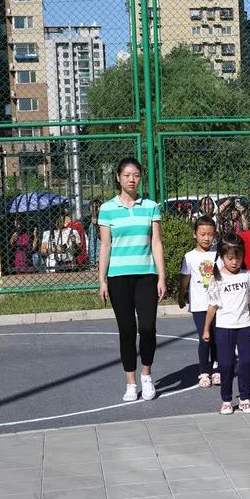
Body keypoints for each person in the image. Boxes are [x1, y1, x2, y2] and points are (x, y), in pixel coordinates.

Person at [98, 157, 167, 402]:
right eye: (126, 174)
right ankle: (131, 382)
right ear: (118, 177)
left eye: (136, 174)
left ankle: (147, 376)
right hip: (118, 277)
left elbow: (156, 242)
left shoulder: (151, 206)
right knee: (127, 330)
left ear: (140, 178)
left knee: (147, 328)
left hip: (146, 276)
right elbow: (105, 245)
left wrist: (161, 275)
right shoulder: (107, 209)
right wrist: (102, 280)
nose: (131, 179)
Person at [202, 233, 250, 415]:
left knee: (246, 362)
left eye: (239, 257)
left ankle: (245, 398)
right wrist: (206, 329)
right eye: (230, 258)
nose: (235, 262)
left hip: (244, 326)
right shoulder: (218, 278)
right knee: (226, 364)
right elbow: (212, 305)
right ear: (221, 257)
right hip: (224, 327)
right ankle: (226, 400)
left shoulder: (246, 275)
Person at [179, 215, 220, 388]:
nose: (206, 238)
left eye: (210, 234)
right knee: (205, 338)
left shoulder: (219, 253)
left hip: (218, 305)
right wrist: (181, 295)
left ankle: (217, 369)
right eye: (203, 234)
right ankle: (204, 372)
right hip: (199, 306)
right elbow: (185, 277)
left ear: (215, 234)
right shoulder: (190, 257)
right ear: (195, 234)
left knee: (218, 338)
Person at [85, 199, 102, 267]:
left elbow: (101, 237)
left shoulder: (104, 220)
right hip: (91, 255)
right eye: (93, 207)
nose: (94, 209)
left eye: (97, 207)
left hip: (100, 254)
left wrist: (96, 225)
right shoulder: (86, 220)